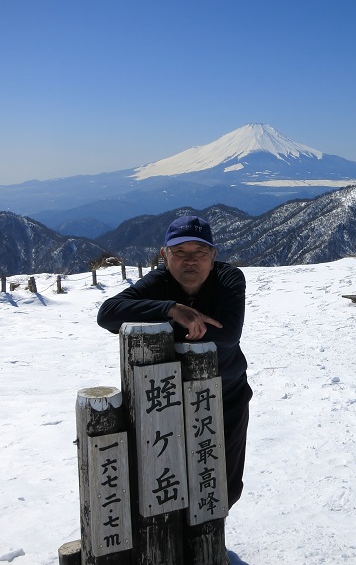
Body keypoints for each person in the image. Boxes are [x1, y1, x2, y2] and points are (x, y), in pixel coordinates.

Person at [97, 215, 252, 509]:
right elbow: (107, 314)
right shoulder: (159, 283)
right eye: (180, 252)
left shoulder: (229, 278)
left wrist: (156, 326)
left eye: (200, 253)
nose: (190, 261)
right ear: (165, 256)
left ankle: (210, 543)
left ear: (213, 256)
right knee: (166, 481)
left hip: (225, 397)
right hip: (165, 402)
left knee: (223, 484)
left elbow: (228, 334)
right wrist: (171, 310)